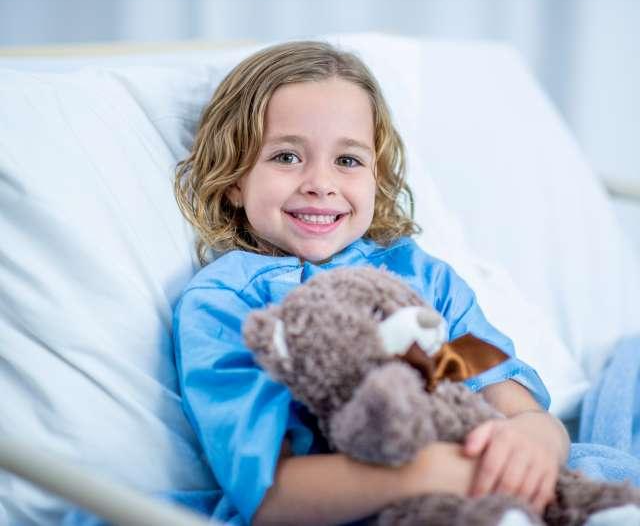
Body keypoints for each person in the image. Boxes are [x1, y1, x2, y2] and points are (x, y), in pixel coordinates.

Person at [173, 40, 569, 526]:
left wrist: (535, 442)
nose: (321, 182)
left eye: (348, 161)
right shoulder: (225, 302)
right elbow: (272, 495)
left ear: (376, 177)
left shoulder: (421, 278)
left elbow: (510, 399)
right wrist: (430, 472)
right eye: (287, 156)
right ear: (235, 177)